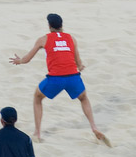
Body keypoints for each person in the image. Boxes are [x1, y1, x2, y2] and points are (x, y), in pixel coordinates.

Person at [10, 13, 108, 144]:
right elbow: (78, 62)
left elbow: (27, 59)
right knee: (84, 98)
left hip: (55, 79)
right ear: (62, 25)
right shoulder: (71, 38)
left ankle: (37, 133)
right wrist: (80, 66)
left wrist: (19, 61)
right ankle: (94, 127)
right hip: (73, 77)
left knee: (37, 97)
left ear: (49, 26)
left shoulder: (43, 39)